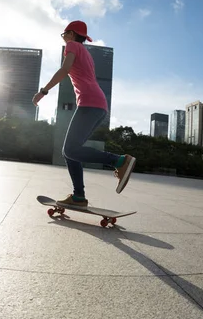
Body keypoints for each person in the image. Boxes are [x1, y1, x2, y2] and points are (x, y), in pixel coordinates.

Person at [32, 20, 136, 208]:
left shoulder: (72, 46)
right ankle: (78, 196)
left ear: (71, 34)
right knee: (71, 152)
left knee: (70, 150)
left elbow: (65, 69)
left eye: (64, 35)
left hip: (89, 103)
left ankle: (120, 161)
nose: (64, 39)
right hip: (98, 105)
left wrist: (43, 91)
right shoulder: (86, 53)